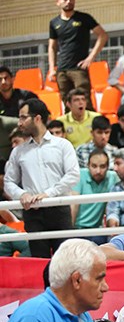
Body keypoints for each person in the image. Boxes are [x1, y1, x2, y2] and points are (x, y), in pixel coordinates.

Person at [4, 98, 79, 258]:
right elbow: (8, 181)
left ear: (37, 118)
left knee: (64, 261)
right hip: (33, 212)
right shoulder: (18, 151)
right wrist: (22, 194)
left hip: (59, 208)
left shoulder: (63, 145)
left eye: (23, 117)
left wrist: (48, 194)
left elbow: (73, 175)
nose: (19, 123)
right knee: (39, 261)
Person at [47, 0, 108, 101]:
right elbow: (52, 47)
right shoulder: (54, 23)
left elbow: (103, 35)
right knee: (67, 104)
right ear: (58, 2)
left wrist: (90, 58)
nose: (69, 1)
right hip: (62, 71)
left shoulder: (84, 18)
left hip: (79, 69)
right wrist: (51, 68)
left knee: (84, 103)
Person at [71, 149, 118, 241]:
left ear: (108, 167)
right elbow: (73, 205)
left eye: (102, 166)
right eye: (94, 166)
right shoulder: (79, 175)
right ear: (88, 165)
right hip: (77, 229)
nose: (98, 171)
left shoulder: (113, 177)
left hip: (97, 231)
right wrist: (70, 233)